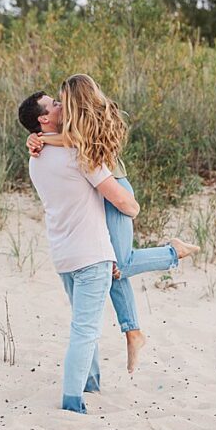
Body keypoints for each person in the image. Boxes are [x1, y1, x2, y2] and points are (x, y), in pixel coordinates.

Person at [21, 75, 199, 375]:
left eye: (62, 101)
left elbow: (75, 143)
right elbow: (67, 143)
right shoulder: (69, 128)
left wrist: (41, 138)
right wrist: (37, 137)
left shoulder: (93, 121)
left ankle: (172, 253)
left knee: (120, 264)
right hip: (98, 194)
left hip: (114, 190)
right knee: (113, 268)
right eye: (55, 103)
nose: (60, 106)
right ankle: (133, 333)